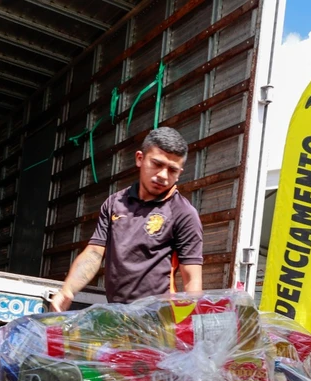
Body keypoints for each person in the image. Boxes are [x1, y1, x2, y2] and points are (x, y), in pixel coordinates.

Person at [50, 127, 203, 310]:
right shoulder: (115, 203)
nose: (163, 175)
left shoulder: (183, 213)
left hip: (158, 320)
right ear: (140, 158)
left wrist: (189, 325)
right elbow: (94, 253)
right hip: (118, 314)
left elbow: (192, 279)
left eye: (172, 170)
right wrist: (67, 291)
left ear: (179, 173)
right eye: (157, 164)